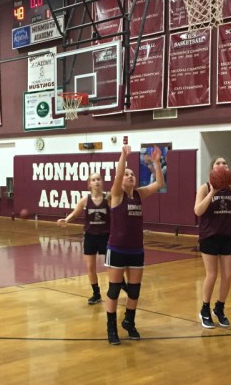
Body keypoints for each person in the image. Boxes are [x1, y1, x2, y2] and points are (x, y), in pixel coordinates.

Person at [104, 145, 163, 345]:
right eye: (127, 174)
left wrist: (156, 162)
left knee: (135, 290)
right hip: (117, 249)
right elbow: (117, 175)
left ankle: (129, 321)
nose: (130, 176)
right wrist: (123, 156)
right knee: (113, 290)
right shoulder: (116, 195)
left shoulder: (138, 194)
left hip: (136, 250)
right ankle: (111, 328)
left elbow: (158, 184)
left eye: (133, 174)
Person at [193, 157, 231, 329]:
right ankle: (204, 309)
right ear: (212, 169)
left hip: (228, 235)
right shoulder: (205, 187)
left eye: (225, 163)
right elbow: (197, 210)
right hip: (209, 235)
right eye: (218, 163)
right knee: (212, 275)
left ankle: (219, 308)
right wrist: (213, 192)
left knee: (228, 276)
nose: (222, 165)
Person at [57, 172, 110, 305]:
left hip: (106, 236)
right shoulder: (85, 200)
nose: (97, 181)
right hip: (90, 237)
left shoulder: (108, 198)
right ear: (89, 184)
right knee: (90, 267)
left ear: (102, 182)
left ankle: (120, 285)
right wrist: (66, 219)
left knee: (112, 266)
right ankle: (96, 293)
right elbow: (75, 213)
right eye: (93, 180)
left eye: (99, 179)